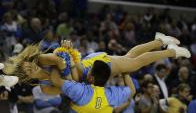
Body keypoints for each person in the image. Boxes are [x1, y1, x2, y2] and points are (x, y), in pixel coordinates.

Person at [3, 32, 191, 89]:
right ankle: (160, 40)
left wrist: (66, 50)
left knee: (135, 64)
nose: (28, 66)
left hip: (91, 67)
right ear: (26, 76)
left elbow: (64, 61)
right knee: (129, 58)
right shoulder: (44, 82)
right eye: (25, 69)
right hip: (88, 67)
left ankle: (171, 53)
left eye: (26, 63)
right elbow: (70, 82)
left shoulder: (42, 61)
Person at [49, 60, 136, 113]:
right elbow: (132, 90)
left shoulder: (81, 91)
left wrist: (54, 61)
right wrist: (124, 71)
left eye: (90, 69)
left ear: (91, 78)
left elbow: (55, 79)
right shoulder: (112, 95)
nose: (87, 70)